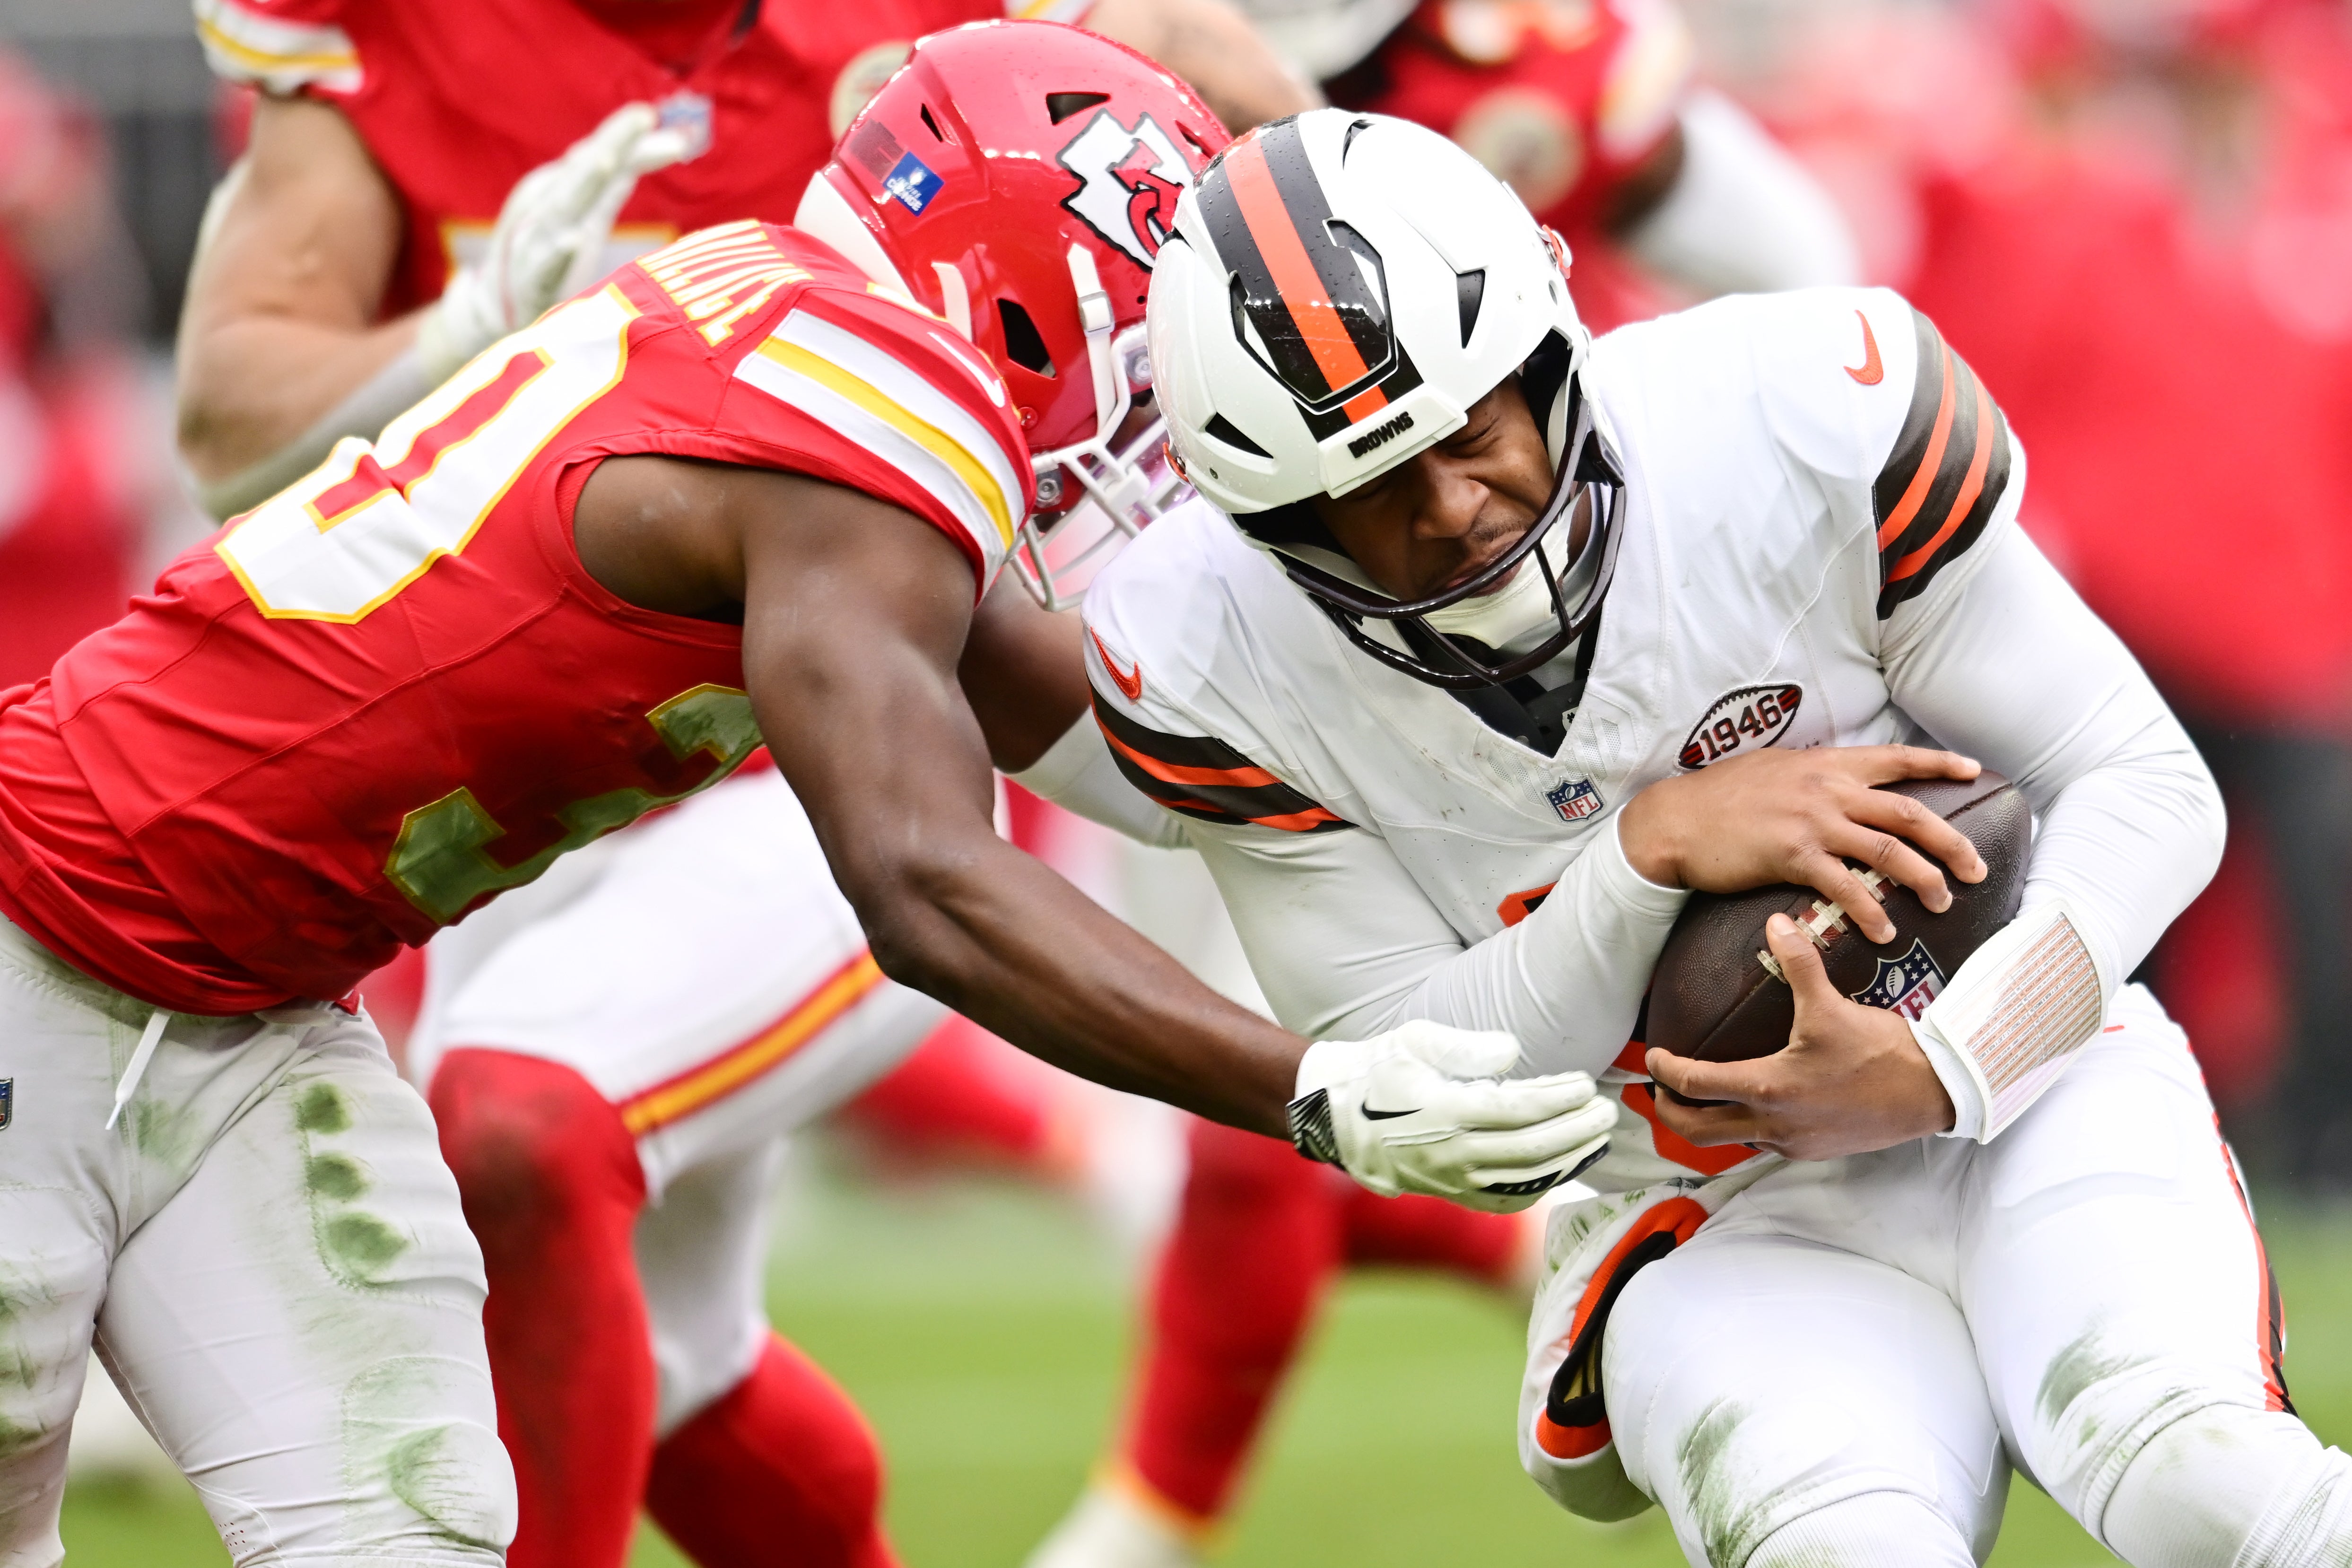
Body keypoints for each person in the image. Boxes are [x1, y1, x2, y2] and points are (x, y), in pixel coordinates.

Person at [0, 28, 1635, 1566]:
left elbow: (1118, 743)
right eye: (1136, 333)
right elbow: (925, 886)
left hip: (249, 1010)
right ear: (1031, 293)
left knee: (408, 1523)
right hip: (36, 944)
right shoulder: (865, 429)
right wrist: (1318, 1087)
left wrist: (1526, 788)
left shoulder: (773, 329)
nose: (1149, 401)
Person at [1077, 108, 2348, 1565]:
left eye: (1472, 433)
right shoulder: (1206, 659)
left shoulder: (1795, 412)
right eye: (1370, 494)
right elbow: (1425, 1080)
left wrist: (1945, 1063)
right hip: (1687, 1199)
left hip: (2035, 1079)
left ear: (1553, 352)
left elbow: (2144, 783)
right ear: (1278, 527)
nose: (1453, 509)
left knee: (2195, 1473)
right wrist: (1645, 855)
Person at [172, 3, 1309, 1563]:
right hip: (554, 780)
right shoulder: (396, 33)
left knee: (523, 1119)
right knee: (679, 1370)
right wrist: (467, 328)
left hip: (853, 748)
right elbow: (232, 416)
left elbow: (1289, 181)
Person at [1026, 1, 1865, 1552]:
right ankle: (1578, 1245)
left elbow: (1809, 274)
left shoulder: (1517, 61)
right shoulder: (1058, 81)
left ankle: (1142, 1523)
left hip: (1557, 629)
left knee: (1293, 1089)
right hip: (1230, 633)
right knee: (1306, 1089)